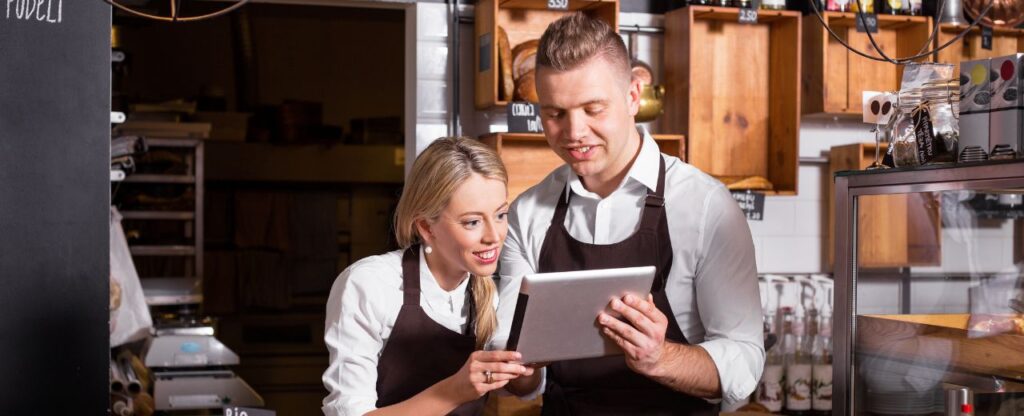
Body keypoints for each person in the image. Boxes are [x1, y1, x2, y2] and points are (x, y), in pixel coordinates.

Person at [497, 13, 765, 415]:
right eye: (555, 114)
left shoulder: (707, 206)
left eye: (593, 109)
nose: (574, 132)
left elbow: (744, 361)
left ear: (634, 96)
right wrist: (518, 367)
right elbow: (520, 377)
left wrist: (660, 357)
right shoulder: (528, 213)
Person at [322, 137, 536, 416]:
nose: (494, 237)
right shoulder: (370, 284)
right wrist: (452, 391)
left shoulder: (489, 294)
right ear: (426, 227)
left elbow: (517, 389)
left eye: (500, 215)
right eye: (472, 222)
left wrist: (526, 368)